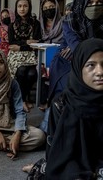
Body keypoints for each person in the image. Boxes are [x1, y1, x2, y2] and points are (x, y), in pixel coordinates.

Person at [25, 38, 103, 179]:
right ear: (79, 68)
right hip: (72, 162)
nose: (100, 72)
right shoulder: (62, 104)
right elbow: (57, 150)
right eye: (91, 65)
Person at [48, 0, 103, 109]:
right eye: (90, 2)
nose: (95, 6)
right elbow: (79, 49)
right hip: (66, 63)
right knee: (69, 92)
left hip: (96, 64)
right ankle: (50, 123)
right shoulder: (70, 21)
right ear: (82, 2)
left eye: (100, 2)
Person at [8, 0, 42, 112]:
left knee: (32, 74)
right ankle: (22, 100)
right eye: (19, 6)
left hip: (32, 56)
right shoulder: (12, 25)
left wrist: (20, 46)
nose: (22, 9)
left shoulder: (35, 23)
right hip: (15, 57)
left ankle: (24, 98)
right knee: (21, 71)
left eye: (25, 6)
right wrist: (27, 42)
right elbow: (11, 43)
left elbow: (37, 41)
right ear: (16, 8)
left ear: (29, 7)